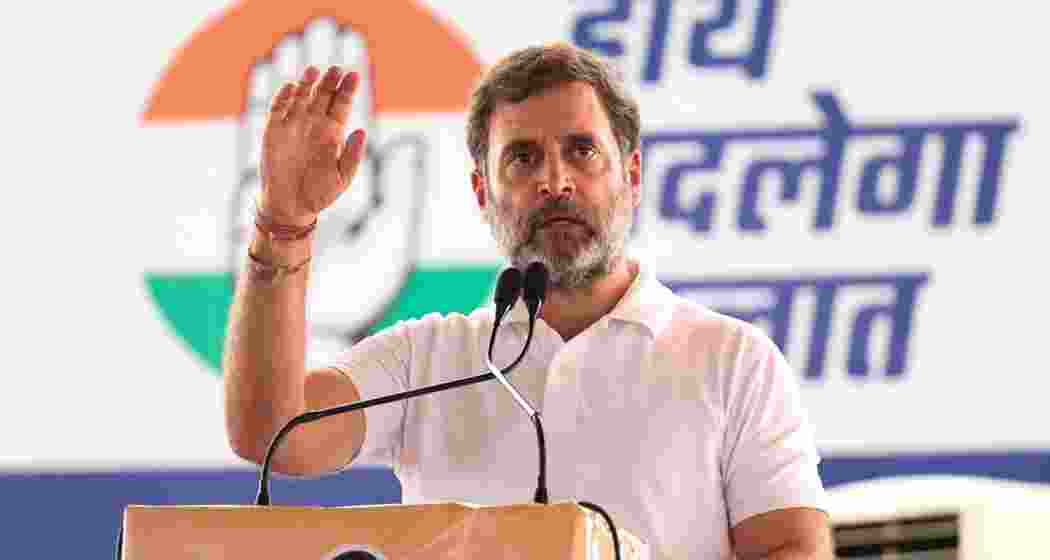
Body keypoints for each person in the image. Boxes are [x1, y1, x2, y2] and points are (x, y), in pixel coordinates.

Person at [224, 43, 834, 560]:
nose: (555, 181)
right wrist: (284, 223)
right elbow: (273, 432)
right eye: (522, 158)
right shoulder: (426, 360)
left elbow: (791, 549)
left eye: (582, 151)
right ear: (481, 192)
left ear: (632, 175)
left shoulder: (734, 360)